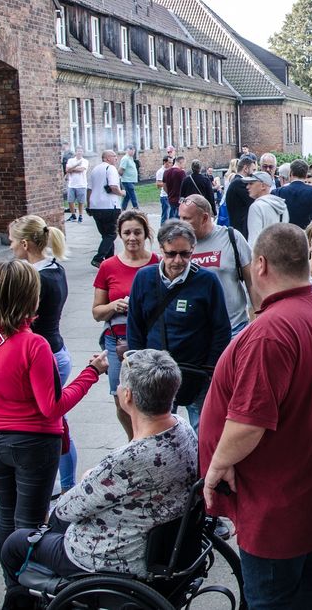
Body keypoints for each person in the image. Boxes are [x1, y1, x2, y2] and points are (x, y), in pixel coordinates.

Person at [201, 224, 312, 610]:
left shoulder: (271, 330)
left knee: (273, 598)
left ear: (260, 264)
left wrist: (217, 464)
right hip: (301, 494)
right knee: (305, 588)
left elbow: (249, 421)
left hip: (274, 504)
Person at [0, 350, 195, 610]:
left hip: (118, 556)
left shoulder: (130, 458)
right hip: (168, 541)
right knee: (52, 527)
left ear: (128, 396)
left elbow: (68, 508)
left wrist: (88, 478)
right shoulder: (182, 428)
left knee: (16, 543)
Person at [0, 260, 100, 587]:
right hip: (32, 443)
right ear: (31, 298)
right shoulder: (34, 344)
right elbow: (52, 408)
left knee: (7, 514)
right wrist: (91, 374)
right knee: (31, 521)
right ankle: (26, 590)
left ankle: (12, 584)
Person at [126, 220, 230, 431]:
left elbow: (221, 329)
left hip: (195, 372)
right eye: (171, 253)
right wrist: (136, 364)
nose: (178, 260)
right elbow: (134, 325)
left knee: (202, 430)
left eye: (185, 254)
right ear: (161, 249)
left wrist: (210, 368)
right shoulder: (144, 278)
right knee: (155, 431)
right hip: (153, 374)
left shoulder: (207, 280)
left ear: (193, 250)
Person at [7, 216, 78, 493]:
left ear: (25, 244)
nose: (11, 246)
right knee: (57, 423)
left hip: (45, 358)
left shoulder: (34, 279)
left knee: (53, 427)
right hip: (56, 350)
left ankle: (65, 487)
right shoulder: (54, 269)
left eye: (13, 241)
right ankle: (65, 486)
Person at [92, 210, 159, 439]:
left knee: (152, 396)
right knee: (121, 399)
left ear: (146, 233)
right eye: (127, 232)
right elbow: (97, 312)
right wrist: (114, 306)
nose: (132, 238)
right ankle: (134, 441)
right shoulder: (108, 266)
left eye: (137, 232)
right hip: (118, 342)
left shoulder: (157, 263)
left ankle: (151, 438)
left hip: (150, 338)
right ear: (119, 235)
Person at [179, 194, 253, 336]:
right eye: (180, 217)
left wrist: (256, 318)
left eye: (186, 219)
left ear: (205, 218)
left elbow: (252, 282)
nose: (181, 224)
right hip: (195, 333)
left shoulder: (232, 238)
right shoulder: (179, 246)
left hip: (234, 328)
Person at [87, 149, 125, 268]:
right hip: (109, 206)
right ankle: (98, 258)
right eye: (114, 156)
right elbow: (113, 186)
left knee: (106, 235)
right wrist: (122, 193)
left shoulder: (94, 169)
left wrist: (89, 205)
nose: (116, 158)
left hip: (95, 207)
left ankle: (109, 260)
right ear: (107, 158)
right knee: (111, 234)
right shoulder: (111, 169)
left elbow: (89, 189)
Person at [243, 172, 289, 249]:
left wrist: (253, 260)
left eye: (251, 183)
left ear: (263, 186)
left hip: (263, 256)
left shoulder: (256, 207)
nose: (247, 187)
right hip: (280, 255)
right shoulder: (282, 206)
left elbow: (254, 241)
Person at [224, 156, 257, 238]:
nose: (254, 174)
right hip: (241, 229)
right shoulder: (240, 183)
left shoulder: (237, 182)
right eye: (253, 170)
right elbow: (253, 202)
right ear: (245, 168)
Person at [65, 147, 88, 223]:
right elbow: (67, 170)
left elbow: (81, 170)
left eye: (81, 151)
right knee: (70, 200)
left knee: (81, 202)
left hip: (81, 184)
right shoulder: (70, 160)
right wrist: (77, 165)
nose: (79, 152)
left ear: (83, 152)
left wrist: (72, 169)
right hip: (72, 184)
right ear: (75, 152)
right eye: (78, 151)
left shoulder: (85, 161)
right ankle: (73, 215)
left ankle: (80, 215)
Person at [119, 145, 140, 209]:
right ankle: (137, 210)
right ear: (128, 150)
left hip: (130, 180)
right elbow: (121, 170)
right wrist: (122, 177)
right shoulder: (125, 159)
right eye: (131, 150)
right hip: (127, 181)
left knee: (127, 197)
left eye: (134, 150)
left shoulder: (130, 158)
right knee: (133, 196)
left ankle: (122, 209)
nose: (133, 151)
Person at [156, 154, 174, 222]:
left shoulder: (170, 171)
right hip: (165, 196)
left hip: (171, 195)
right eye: (169, 162)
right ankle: (163, 230)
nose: (171, 164)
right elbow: (158, 184)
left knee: (172, 215)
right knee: (165, 215)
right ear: (165, 162)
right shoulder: (161, 171)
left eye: (172, 162)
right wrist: (167, 184)